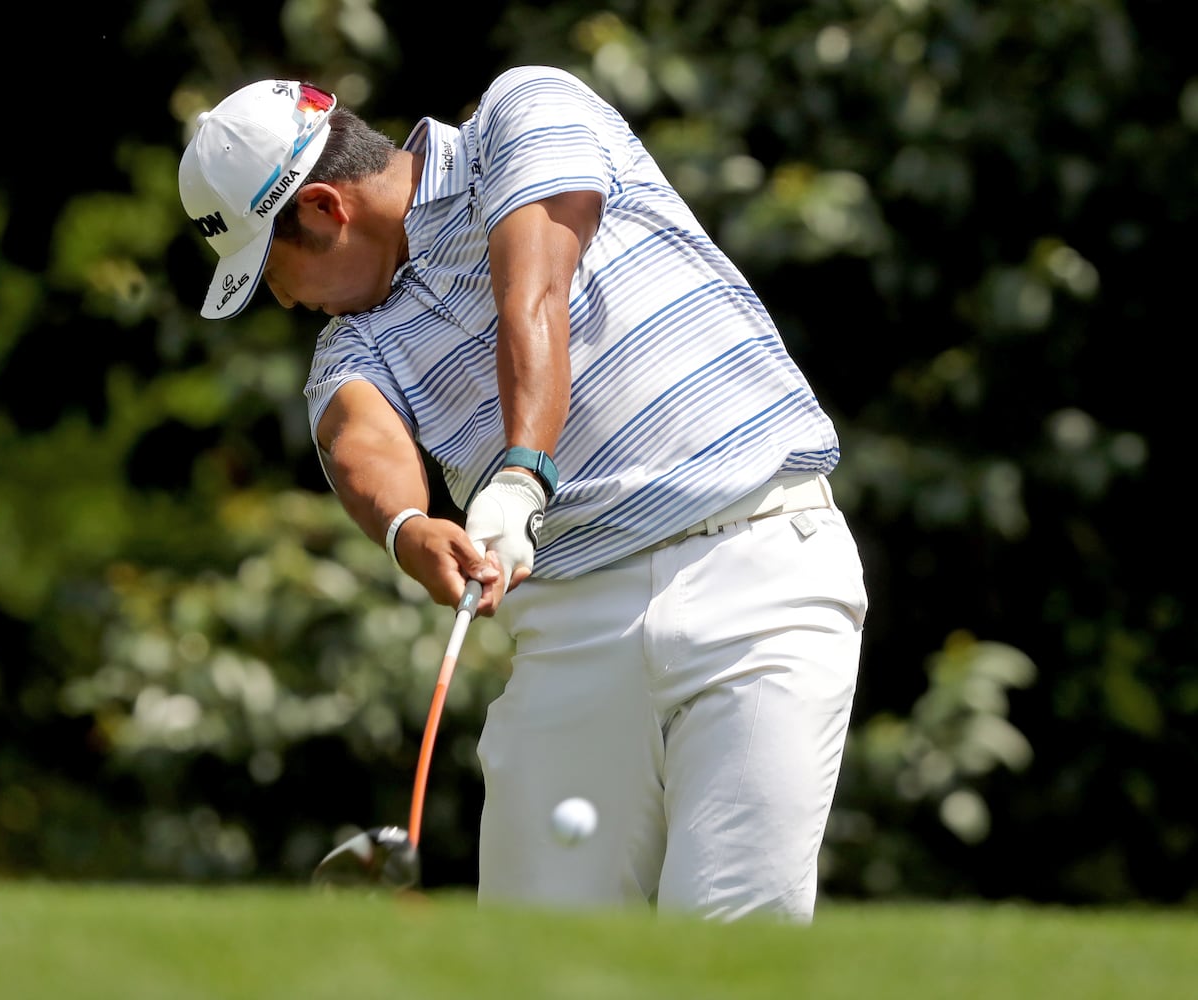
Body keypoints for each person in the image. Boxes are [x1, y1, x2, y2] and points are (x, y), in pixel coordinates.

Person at [176, 67, 868, 922]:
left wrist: (520, 470)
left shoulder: (525, 111)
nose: (280, 299)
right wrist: (408, 528)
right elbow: (357, 437)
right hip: (570, 632)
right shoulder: (352, 340)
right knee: (533, 961)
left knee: (726, 941)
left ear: (323, 208)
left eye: (270, 268)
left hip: (756, 571)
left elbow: (532, 288)